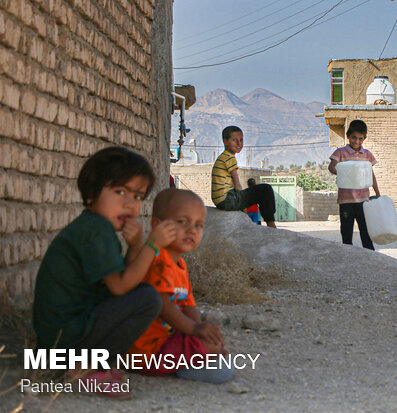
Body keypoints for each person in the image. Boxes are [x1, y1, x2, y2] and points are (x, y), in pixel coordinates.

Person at [33, 146, 177, 399]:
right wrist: (151, 246)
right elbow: (121, 289)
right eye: (120, 191)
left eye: (137, 196)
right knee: (148, 299)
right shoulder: (95, 230)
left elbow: (123, 285)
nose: (129, 203)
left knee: (143, 294)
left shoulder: (95, 226)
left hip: (60, 339)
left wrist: (135, 247)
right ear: (92, 192)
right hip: (65, 339)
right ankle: (86, 371)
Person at [129, 189, 233, 383]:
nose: (192, 230)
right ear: (157, 226)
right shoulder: (157, 260)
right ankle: (185, 367)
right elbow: (163, 305)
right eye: (182, 222)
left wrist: (201, 329)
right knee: (214, 356)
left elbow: (188, 305)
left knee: (212, 342)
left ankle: (197, 358)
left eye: (199, 225)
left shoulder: (181, 265)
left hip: (169, 340)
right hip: (148, 350)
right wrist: (195, 330)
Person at [328, 119, 380, 250]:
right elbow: (331, 167)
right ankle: (347, 255)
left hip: (364, 200)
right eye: (353, 138)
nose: (357, 142)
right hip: (346, 201)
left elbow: (371, 175)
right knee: (346, 230)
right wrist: (343, 173)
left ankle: (369, 255)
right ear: (347, 136)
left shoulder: (367, 154)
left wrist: (378, 194)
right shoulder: (340, 152)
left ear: (365, 138)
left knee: (366, 229)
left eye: (360, 139)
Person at [211, 125, 277, 228]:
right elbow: (237, 185)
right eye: (234, 140)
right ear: (225, 141)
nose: (239, 143)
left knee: (261, 190)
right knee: (265, 189)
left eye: (241, 140)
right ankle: (271, 224)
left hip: (221, 200)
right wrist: (243, 207)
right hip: (227, 200)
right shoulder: (229, 158)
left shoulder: (222, 158)